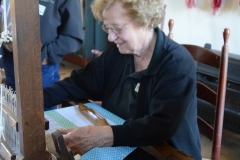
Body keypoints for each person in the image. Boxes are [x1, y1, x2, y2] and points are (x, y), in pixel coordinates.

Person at [44, 0, 202, 159]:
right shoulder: (118, 54)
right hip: (127, 144)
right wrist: (34, 101)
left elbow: (160, 126)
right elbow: (79, 83)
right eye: (107, 27)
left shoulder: (176, 64)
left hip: (164, 152)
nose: (111, 37)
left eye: (117, 28)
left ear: (144, 21)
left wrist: (103, 136)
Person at [0, 0, 83, 110]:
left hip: (40, 68)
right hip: (5, 64)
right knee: (7, 118)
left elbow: (73, 35)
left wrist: (46, 55)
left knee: (39, 118)